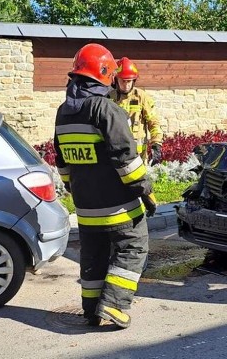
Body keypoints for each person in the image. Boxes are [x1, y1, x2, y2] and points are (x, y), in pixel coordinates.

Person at [53, 43, 155, 329]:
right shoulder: (106, 109)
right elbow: (125, 158)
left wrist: (76, 189)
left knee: (93, 256)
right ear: (104, 74)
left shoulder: (64, 112)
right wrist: (144, 190)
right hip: (117, 205)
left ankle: (91, 310)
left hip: (86, 207)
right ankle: (114, 305)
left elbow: (62, 161)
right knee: (133, 247)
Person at [108, 57, 164, 166]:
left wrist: (156, 144)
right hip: (114, 155)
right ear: (116, 80)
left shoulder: (142, 97)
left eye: (129, 81)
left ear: (134, 80)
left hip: (138, 157)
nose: (126, 85)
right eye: (123, 81)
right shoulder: (108, 98)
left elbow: (154, 122)